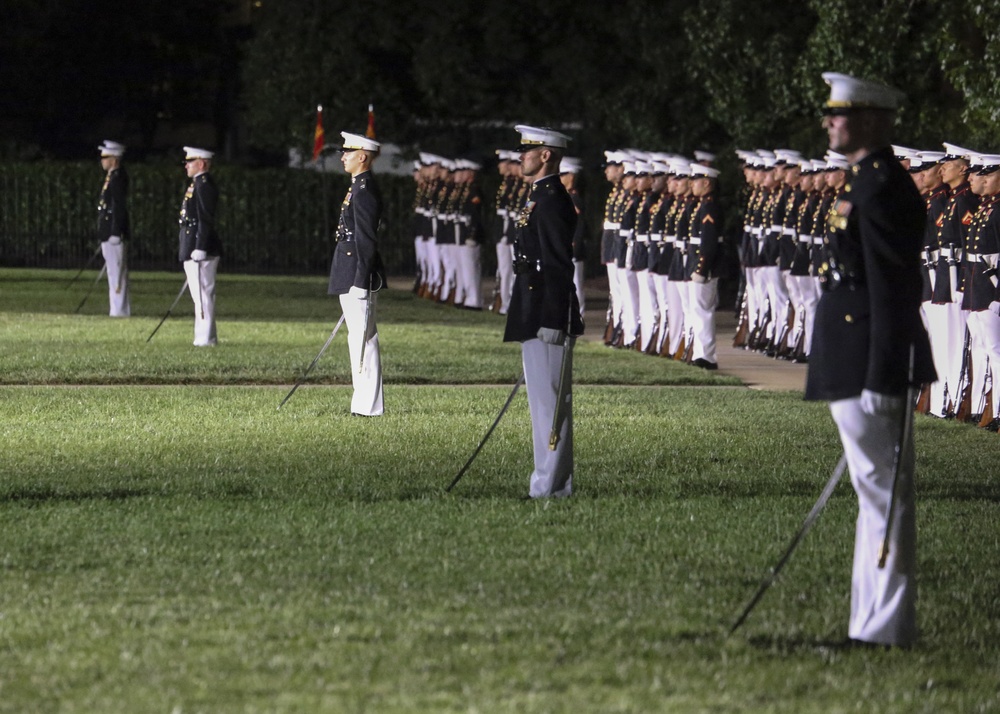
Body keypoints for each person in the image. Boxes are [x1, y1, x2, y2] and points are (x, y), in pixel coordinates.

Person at [806, 72, 936, 647]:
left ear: (876, 122)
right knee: (874, 497)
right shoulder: (862, 182)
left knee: (884, 499)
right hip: (851, 356)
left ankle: (883, 630)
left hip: (870, 362)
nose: (831, 120)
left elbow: (892, 289)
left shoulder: (882, 187)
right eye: (831, 112)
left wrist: (887, 373)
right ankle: (868, 624)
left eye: (845, 113)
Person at [504, 125, 584, 498]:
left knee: (550, 404)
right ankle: (545, 483)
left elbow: (556, 265)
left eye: (528, 150)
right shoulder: (539, 195)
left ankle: (552, 487)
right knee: (541, 404)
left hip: (546, 311)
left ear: (546, 155)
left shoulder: (551, 199)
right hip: (531, 306)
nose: (521, 156)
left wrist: (554, 318)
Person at [328, 131, 386, 417]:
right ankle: (362, 402)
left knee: (364, 339)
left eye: (348, 153)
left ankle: (369, 405)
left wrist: (361, 280)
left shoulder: (364, 190)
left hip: (356, 271)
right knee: (357, 338)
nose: (343, 157)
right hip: (348, 267)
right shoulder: (357, 187)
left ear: (362, 157)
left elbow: (365, 239)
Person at [178, 146, 221, 347]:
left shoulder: (204, 185)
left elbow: (205, 218)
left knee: (203, 294)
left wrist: (200, 246)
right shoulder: (197, 184)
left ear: (202, 163)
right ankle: (202, 336)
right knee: (199, 295)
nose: (186, 165)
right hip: (192, 244)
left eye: (191, 161)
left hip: (201, 247)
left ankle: (206, 338)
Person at [96, 140, 131, 317]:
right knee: (112, 271)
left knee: (117, 272)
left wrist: (116, 231)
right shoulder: (112, 177)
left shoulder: (118, 178)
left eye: (106, 158)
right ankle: (116, 308)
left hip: (113, 232)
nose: (102, 161)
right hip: (108, 231)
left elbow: (118, 206)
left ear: (114, 160)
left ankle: (119, 310)